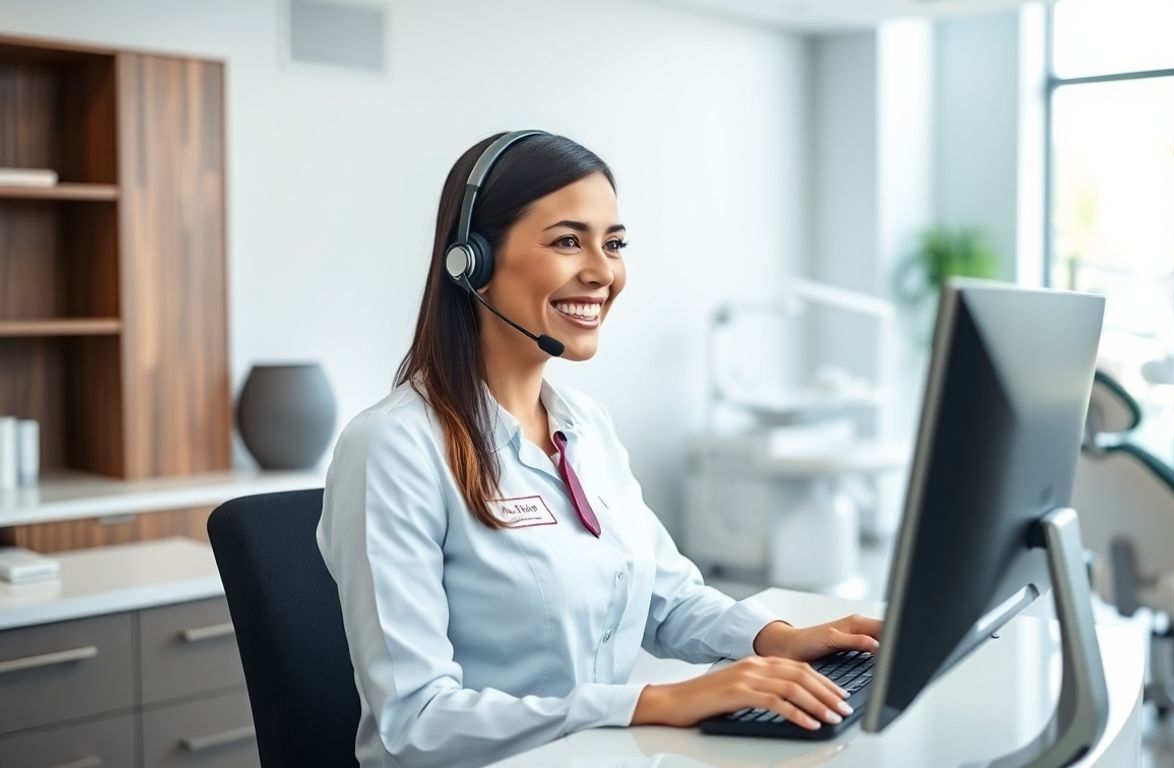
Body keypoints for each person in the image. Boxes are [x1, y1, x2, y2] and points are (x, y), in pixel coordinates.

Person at [317, 130, 882, 767]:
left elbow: (665, 598)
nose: (602, 272)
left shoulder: (585, 427)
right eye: (567, 241)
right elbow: (415, 722)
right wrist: (651, 703)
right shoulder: (393, 449)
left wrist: (776, 639)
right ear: (471, 261)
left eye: (613, 244)